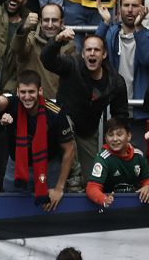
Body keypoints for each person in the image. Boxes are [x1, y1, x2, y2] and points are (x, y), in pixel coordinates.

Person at [41, 30, 129, 181]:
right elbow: (47, 59)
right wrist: (57, 40)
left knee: (92, 180)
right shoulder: (71, 65)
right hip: (62, 129)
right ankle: (73, 176)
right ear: (82, 54)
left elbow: (120, 116)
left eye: (96, 50)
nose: (92, 53)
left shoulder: (115, 82)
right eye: (88, 50)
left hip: (88, 132)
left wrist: (120, 142)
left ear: (104, 55)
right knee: (61, 178)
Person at [0, 71, 77, 211]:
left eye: (31, 92)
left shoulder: (55, 113)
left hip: (49, 166)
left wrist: (59, 188)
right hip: (17, 165)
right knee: (11, 207)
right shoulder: (13, 103)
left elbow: (69, 149)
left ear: (40, 91)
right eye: (23, 92)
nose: (27, 97)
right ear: (17, 91)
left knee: (50, 208)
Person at [96, 0, 149, 154]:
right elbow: (93, 54)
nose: (130, 10)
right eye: (126, 5)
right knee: (114, 163)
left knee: (138, 159)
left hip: (140, 111)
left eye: (135, 6)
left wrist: (139, 28)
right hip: (116, 110)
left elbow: (147, 59)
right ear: (119, 10)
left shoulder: (146, 35)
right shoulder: (112, 34)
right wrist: (105, 23)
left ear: (144, 9)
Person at [11, 3, 75, 99]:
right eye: (46, 20)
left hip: (56, 106)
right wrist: (24, 28)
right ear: (40, 22)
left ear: (62, 23)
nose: (49, 25)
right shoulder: (30, 39)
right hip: (30, 103)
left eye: (54, 20)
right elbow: (16, 48)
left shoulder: (69, 45)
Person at [85, 117, 149, 207]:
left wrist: (147, 186)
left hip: (133, 205)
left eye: (119, 134)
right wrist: (103, 199)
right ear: (105, 138)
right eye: (110, 135)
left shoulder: (138, 155)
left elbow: (146, 180)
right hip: (110, 208)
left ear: (129, 136)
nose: (115, 139)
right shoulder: (103, 158)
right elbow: (92, 187)